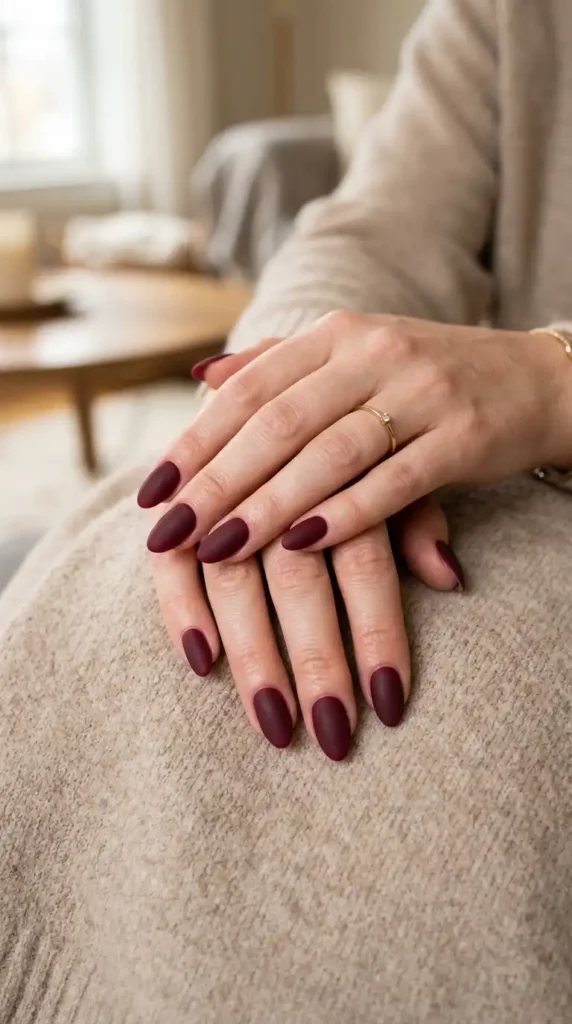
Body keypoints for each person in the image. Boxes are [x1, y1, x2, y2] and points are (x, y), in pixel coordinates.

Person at [1, 0, 572, 1019]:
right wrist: (304, 394)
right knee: (118, 579)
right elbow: (368, 227)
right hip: (450, 473)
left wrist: (553, 377)